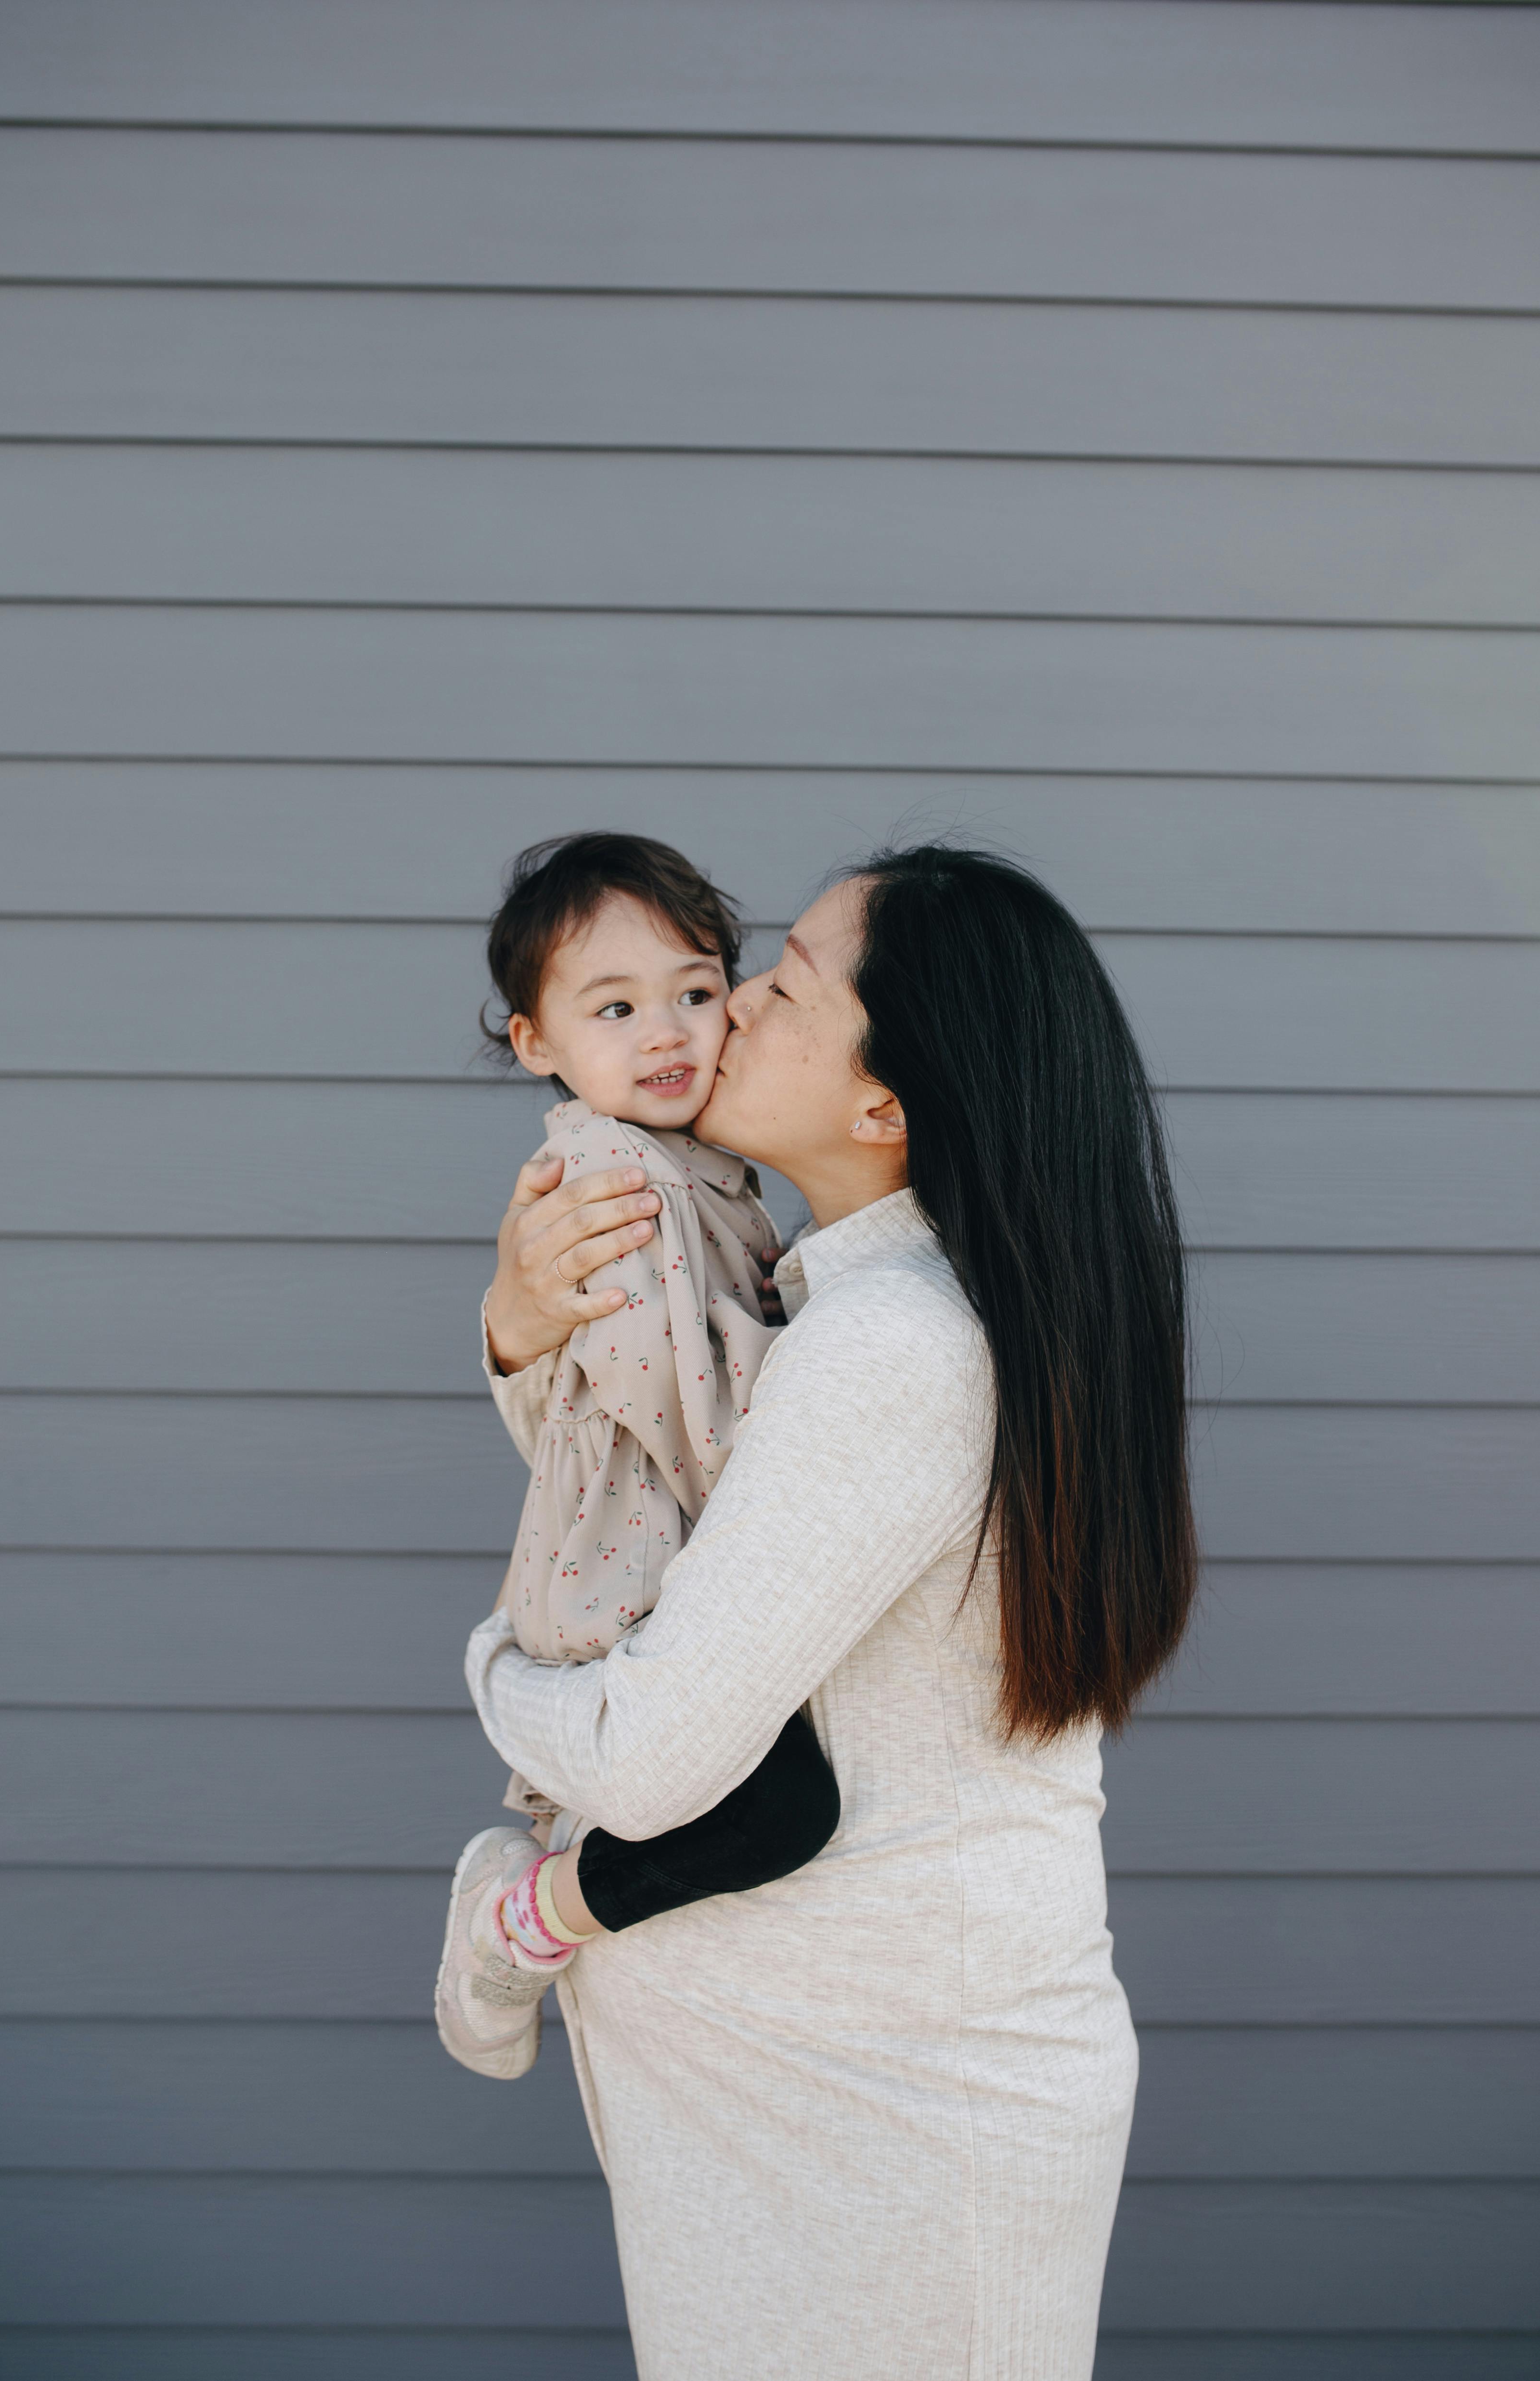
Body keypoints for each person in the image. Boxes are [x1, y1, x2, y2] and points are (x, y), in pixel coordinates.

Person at [465, 844, 1198, 2381]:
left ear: (885, 1105)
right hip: (799, 2078)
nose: (721, 1012)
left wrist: (492, 1668)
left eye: (780, 982)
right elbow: (657, 1501)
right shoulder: (843, 1298)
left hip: (876, 2113)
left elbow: (647, 1754)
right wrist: (522, 1331)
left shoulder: (889, 1345)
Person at [435, 834, 840, 2084]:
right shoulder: (616, 1180)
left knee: (763, 1805)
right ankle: (519, 1919)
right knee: (778, 1811)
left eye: (696, 989)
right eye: (614, 1007)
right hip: (620, 1580)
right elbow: (660, 1396)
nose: (667, 1031)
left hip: (639, 1562)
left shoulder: (702, 1171)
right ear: (536, 1041)